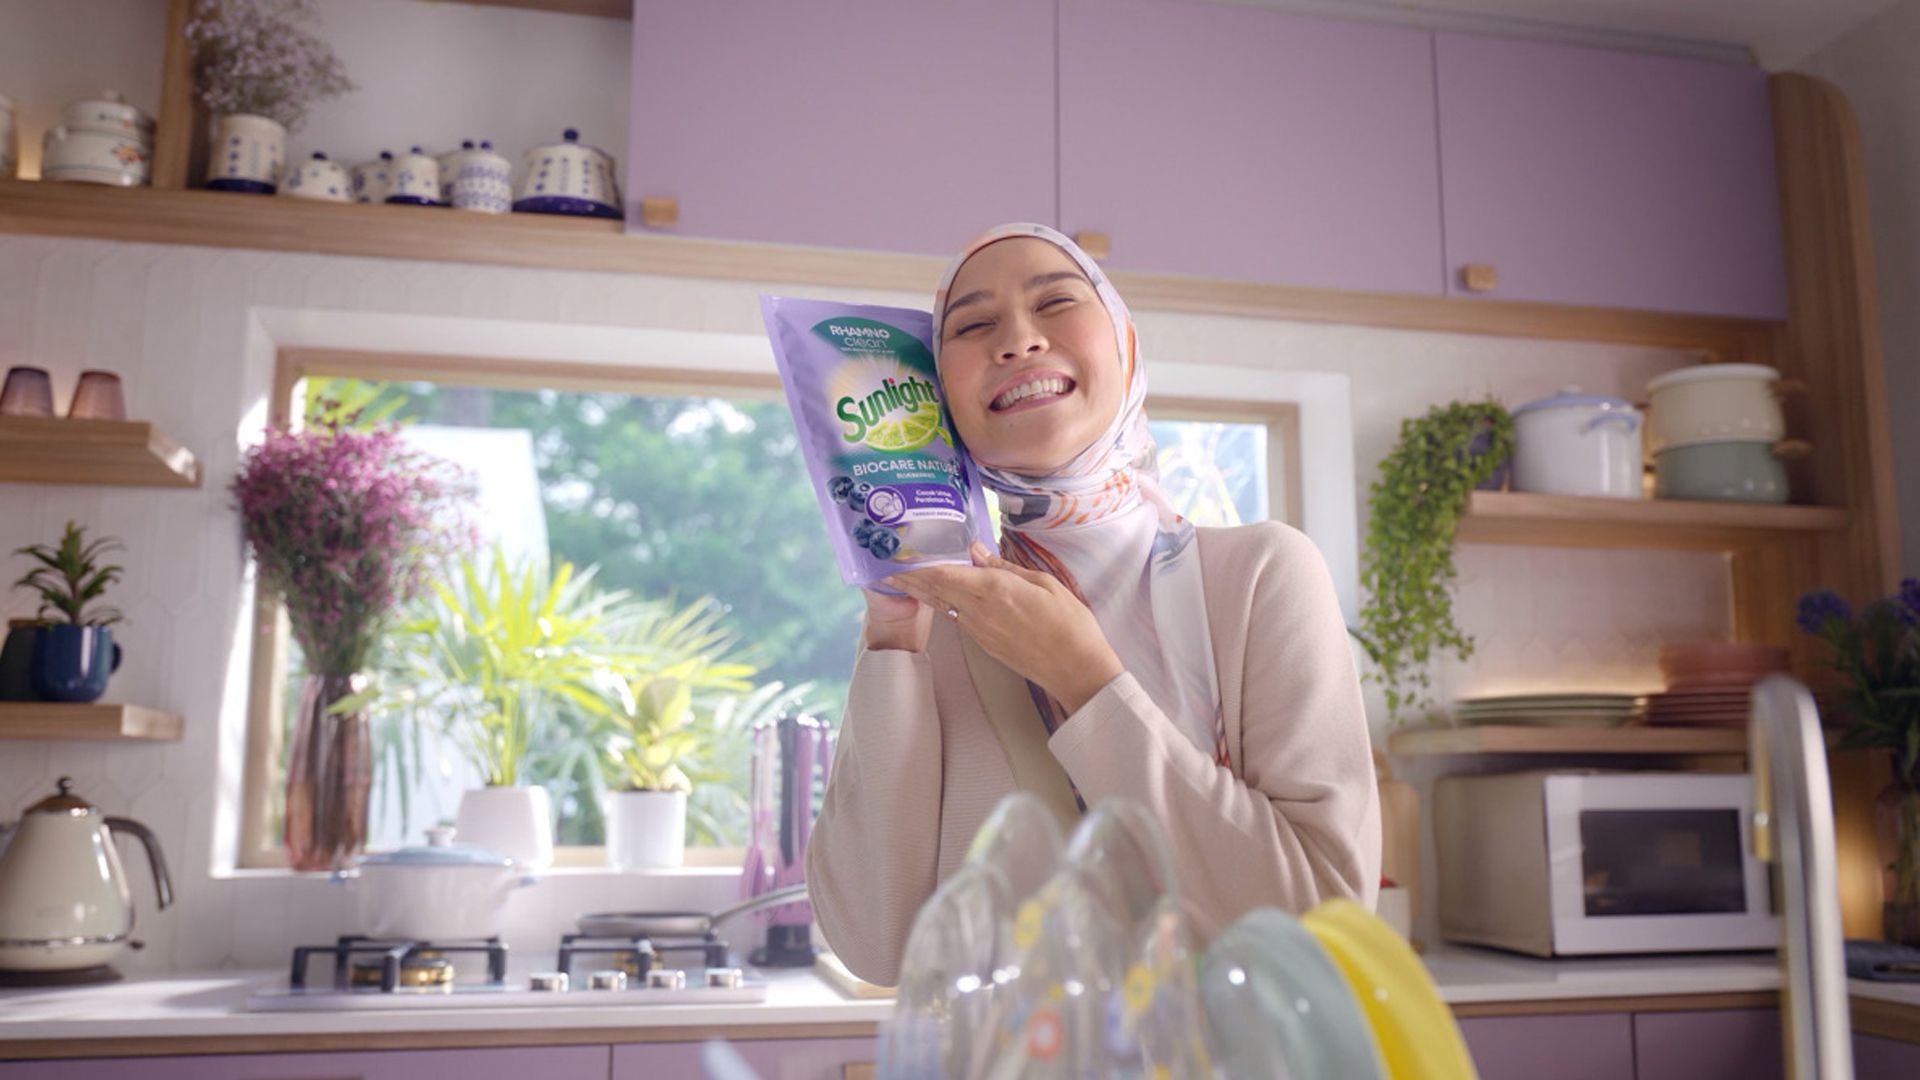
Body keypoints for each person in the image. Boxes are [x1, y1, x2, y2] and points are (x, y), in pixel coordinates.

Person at [805, 222, 1379, 987]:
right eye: (973, 325)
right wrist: (891, 645)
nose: (1016, 340)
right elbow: (877, 947)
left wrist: (1086, 680)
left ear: (1126, 346)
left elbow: (1325, 930)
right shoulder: (938, 618)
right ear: (940, 395)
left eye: (1056, 301)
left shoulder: (1261, 575)